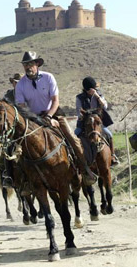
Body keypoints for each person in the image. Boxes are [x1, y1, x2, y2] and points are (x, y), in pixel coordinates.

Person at [14, 51, 97, 186]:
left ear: (37, 64)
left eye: (30, 64)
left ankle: (85, 169)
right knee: (17, 144)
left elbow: (55, 100)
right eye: (25, 65)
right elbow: (22, 107)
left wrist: (49, 116)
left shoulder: (48, 77)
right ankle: (22, 180)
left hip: (53, 113)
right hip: (32, 118)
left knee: (72, 138)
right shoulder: (20, 84)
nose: (28, 67)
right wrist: (37, 119)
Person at [75, 76, 119, 165]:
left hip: (98, 122)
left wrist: (97, 96)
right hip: (85, 121)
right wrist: (85, 115)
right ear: (85, 89)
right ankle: (76, 158)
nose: (90, 92)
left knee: (109, 135)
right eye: (89, 90)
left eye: (92, 89)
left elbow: (105, 106)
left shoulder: (99, 94)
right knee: (75, 135)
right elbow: (79, 111)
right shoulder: (79, 97)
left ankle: (113, 156)